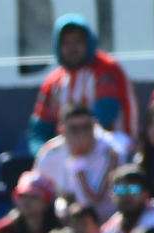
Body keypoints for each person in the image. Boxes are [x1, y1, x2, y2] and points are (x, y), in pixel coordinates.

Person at [29, 14, 136, 153]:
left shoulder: (107, 69)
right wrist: (41, 153)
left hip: (113, 144)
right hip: (68, 150)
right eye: (66, 43)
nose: (72, 48)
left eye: (77, 41)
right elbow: (39, 129)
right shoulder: (53, 81)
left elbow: (104, 118)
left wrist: (71, 147)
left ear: (88, 42)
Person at [32, 106, 123, 222]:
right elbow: (37, 192)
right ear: (62, 130)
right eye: (74, 129)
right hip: (64, 225)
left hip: (109, 222)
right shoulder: (49, 154)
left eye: (86, 127)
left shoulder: (112, 151)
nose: (81, 134)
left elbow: (122, 192)